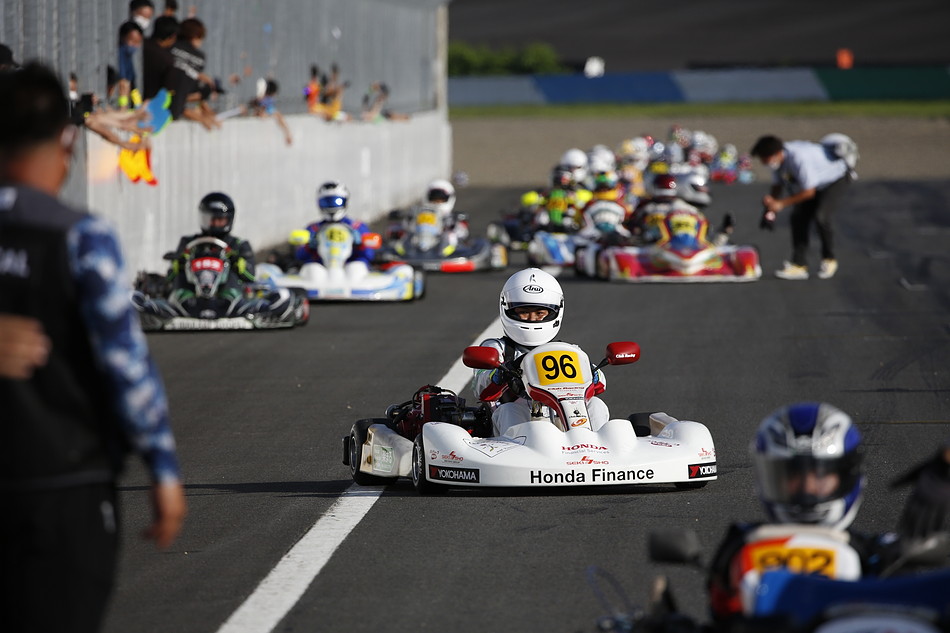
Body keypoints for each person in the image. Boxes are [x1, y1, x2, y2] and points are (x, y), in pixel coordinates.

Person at [0, 61, 185, 633]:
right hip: (62, 482)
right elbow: (125, 364)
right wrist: (162, 467)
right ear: (68, 141)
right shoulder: (81, 237)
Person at [706, 402, 950, 628]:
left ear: (848, 475)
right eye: (793, 477)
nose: (807, 489)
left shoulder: (874, 553)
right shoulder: (739, 545)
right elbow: (719, 613)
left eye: (820, 476)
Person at [471, 268, 609, 436]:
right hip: (514, 422)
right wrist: (502, 374)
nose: (532, 318)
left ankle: (591, 445)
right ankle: (520, 450)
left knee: (596, 405)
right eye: (523, 312)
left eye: (539, 313)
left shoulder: (568, 350)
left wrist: (592, 373)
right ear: (507, 309)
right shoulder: (497, 348)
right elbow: (480, 387)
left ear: (555, 311)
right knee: (509, 410)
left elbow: (600, 383)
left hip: (562, 415)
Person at [751, 134, 853, 280]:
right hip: (816, 184)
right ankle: (799, 265)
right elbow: (777, 185)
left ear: (777, 154)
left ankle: (829, 259)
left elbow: (809, 192)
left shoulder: (799, 158)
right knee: (798, 218)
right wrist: (770, 206)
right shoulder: (777, 163)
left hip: (835, 179)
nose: (763, 163)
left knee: (821, 216)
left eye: (764, 159)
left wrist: (781, 204)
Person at [165, 191, 256, 307]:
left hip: (225, 296)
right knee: (181, 277)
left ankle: (229, 302)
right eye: (210, 219)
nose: (214, 223)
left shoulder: (239, 244)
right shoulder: (188, 242)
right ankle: (181, 304)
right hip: (192, 295)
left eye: (219, 219)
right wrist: (181, 260)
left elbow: (251, 276)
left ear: (228, 219)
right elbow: (170, 276)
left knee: (233, 276)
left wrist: (235, 260)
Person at [295, 182, 376, 269]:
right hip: (321, 269)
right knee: (312, 268)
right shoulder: (314, 228)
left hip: (349, 269)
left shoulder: (356, 227)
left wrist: (360, 244)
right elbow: (300, 255)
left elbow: (369, 255)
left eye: (337, 201)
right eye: (326, 202)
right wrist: (310, 246)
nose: (331, 206)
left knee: (357, 267)